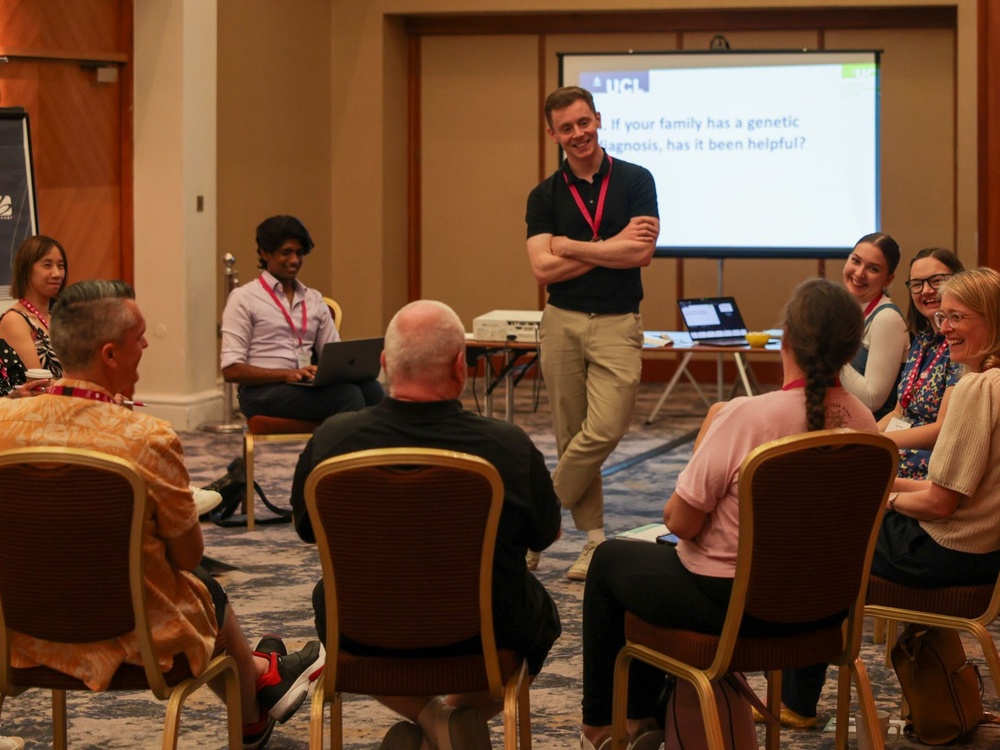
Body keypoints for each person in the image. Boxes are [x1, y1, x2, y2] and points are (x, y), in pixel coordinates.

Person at [0, 280, 325, 749]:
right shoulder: (146, 437)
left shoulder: (7, 426)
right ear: (110, 355)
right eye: (141, 336)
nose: (148, 345)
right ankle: (256, 689)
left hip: (21, 634)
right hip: (136, 642)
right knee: (201, 587)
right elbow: (189, 553)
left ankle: (260, 682)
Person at [579, 278, 877, 750]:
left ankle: (611, 725)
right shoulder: (865, 424)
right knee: (652, 572)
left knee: (611, 563)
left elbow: (681, 523)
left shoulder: (749, 417)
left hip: (735, 607)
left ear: (785, 339)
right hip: (824, 610)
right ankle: (647, 716)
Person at [290, 300, 562, 750]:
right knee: (539, 613)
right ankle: (447, 721)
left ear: (383, 364)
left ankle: (428, 722)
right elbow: (545, 534)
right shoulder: (506, 447)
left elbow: (305, 530)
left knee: (328, 596)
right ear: (461, 365)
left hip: (361, 635)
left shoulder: (332, 442)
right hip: (484, 639)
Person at [781, 267, 1000, 726]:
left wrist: (882, 502)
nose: (946, 329)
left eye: (958, 317)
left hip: (949, 551)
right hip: (979, 548)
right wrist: (885, 486)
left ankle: (796, 703)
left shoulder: (977, 389)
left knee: (817, 544)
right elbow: (957, 491)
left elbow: (941, 506)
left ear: (992, 319)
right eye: (943, 318)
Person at [525, 85, 659, 580]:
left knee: (604, 428)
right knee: (569, 432)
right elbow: (542, 269)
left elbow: (639, 254)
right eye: (566, 128)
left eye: (584, 122)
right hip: (561, 322)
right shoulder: (544, 195)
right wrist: (608, 245)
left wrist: (569, 246)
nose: (578, 134)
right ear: (552, 133)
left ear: (598, 119)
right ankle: (593, 542)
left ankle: (534, 517)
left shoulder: (636, 180)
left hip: (618, 321)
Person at [221, 215, 383, 421]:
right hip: (261, 393)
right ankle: (335, 454)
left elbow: (335, 355)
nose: (294, 260)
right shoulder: (244, 299)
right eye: (286, 252)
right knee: (347, 396)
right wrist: (288, 374)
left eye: (299, 253)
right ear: (265, 253)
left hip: (305, 385)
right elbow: (231, 370)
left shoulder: (313, 299)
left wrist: (349, 369)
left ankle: (375, 453)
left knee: (372, 389)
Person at [878, 248, 964, 478]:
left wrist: (878, 442)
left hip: (932, 458)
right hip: (899, 446)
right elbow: (899, 411)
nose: (926, 290)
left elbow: (942, 430)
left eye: (936, 281)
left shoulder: (960, 345)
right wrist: (862, 438)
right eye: (917, 284)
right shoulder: (922, 340)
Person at [840, 232, 909, 420]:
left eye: (873, 269)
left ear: (888, 279)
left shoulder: (887, 319)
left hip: (873, 433)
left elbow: (872, 400)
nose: (860, 273)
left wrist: (826, 355)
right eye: (856, 261)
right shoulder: (846, 309)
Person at [0, 235, 67, 382]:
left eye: (60, 266)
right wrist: (86, 390)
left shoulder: (60, 318)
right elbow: (38, 383)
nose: (57, 274)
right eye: (47, 265)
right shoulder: (14, 319)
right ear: (26, 270)